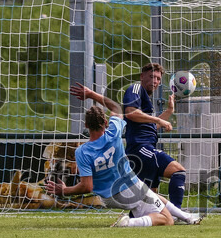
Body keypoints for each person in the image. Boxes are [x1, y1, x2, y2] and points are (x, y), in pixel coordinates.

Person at [45, 84, 201, 227]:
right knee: (167, 220)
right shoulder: (113, 132)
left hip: (108, 198)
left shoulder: (82, 151)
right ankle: (129, 223)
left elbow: (87, 186)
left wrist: (65, 190)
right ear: (106, 122)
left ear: (86, 126)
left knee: (152, 195)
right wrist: (91, 94)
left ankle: (187, 217)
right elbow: (116, 107)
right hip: (128, 187)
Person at [123, 63, 190, 215]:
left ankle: (133, 220)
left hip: (143, 147)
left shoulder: (146, 99)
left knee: (149, 202)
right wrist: (158, 120)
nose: (155, 81)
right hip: (141, 148)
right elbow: (130, 113)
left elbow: (150, 127)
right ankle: (177, 214)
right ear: (141, 77)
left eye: (158, 78)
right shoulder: (136, 89)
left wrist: (169, 111)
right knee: (178, 171)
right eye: (151, 76)